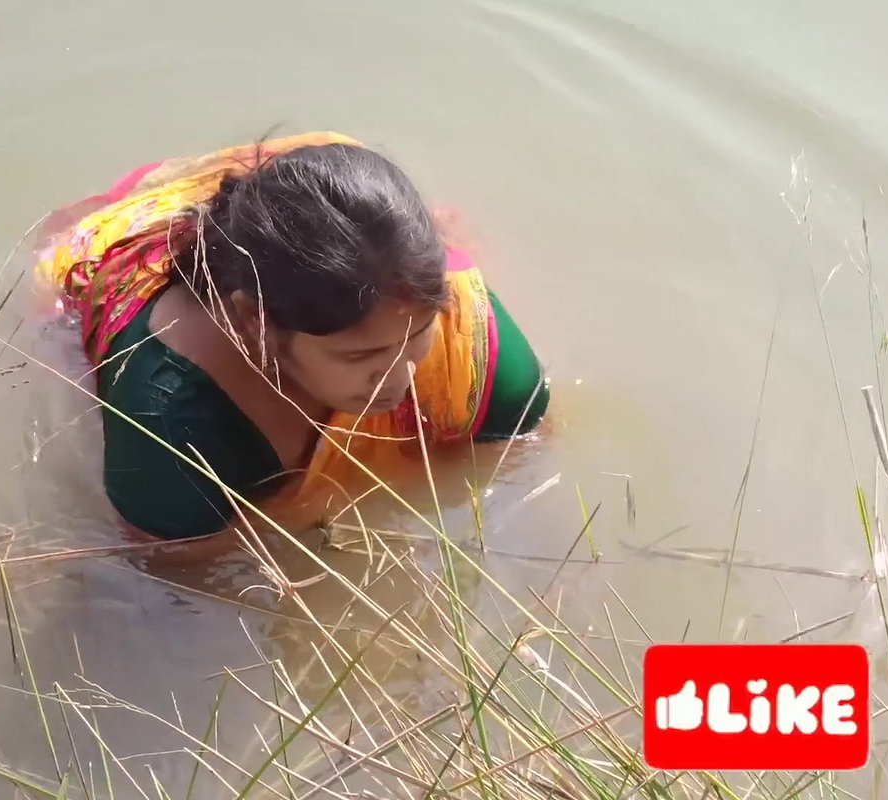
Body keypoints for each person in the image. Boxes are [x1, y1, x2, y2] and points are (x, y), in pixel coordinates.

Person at [35, 131, 550, 561]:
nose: (401, 377)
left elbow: (520, 464)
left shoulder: (477, 353)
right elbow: (173, 566)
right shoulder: (168, 416)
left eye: (417, 337)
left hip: (336, 193)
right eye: (359, 356)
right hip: (118, 242)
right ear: (253, 321)